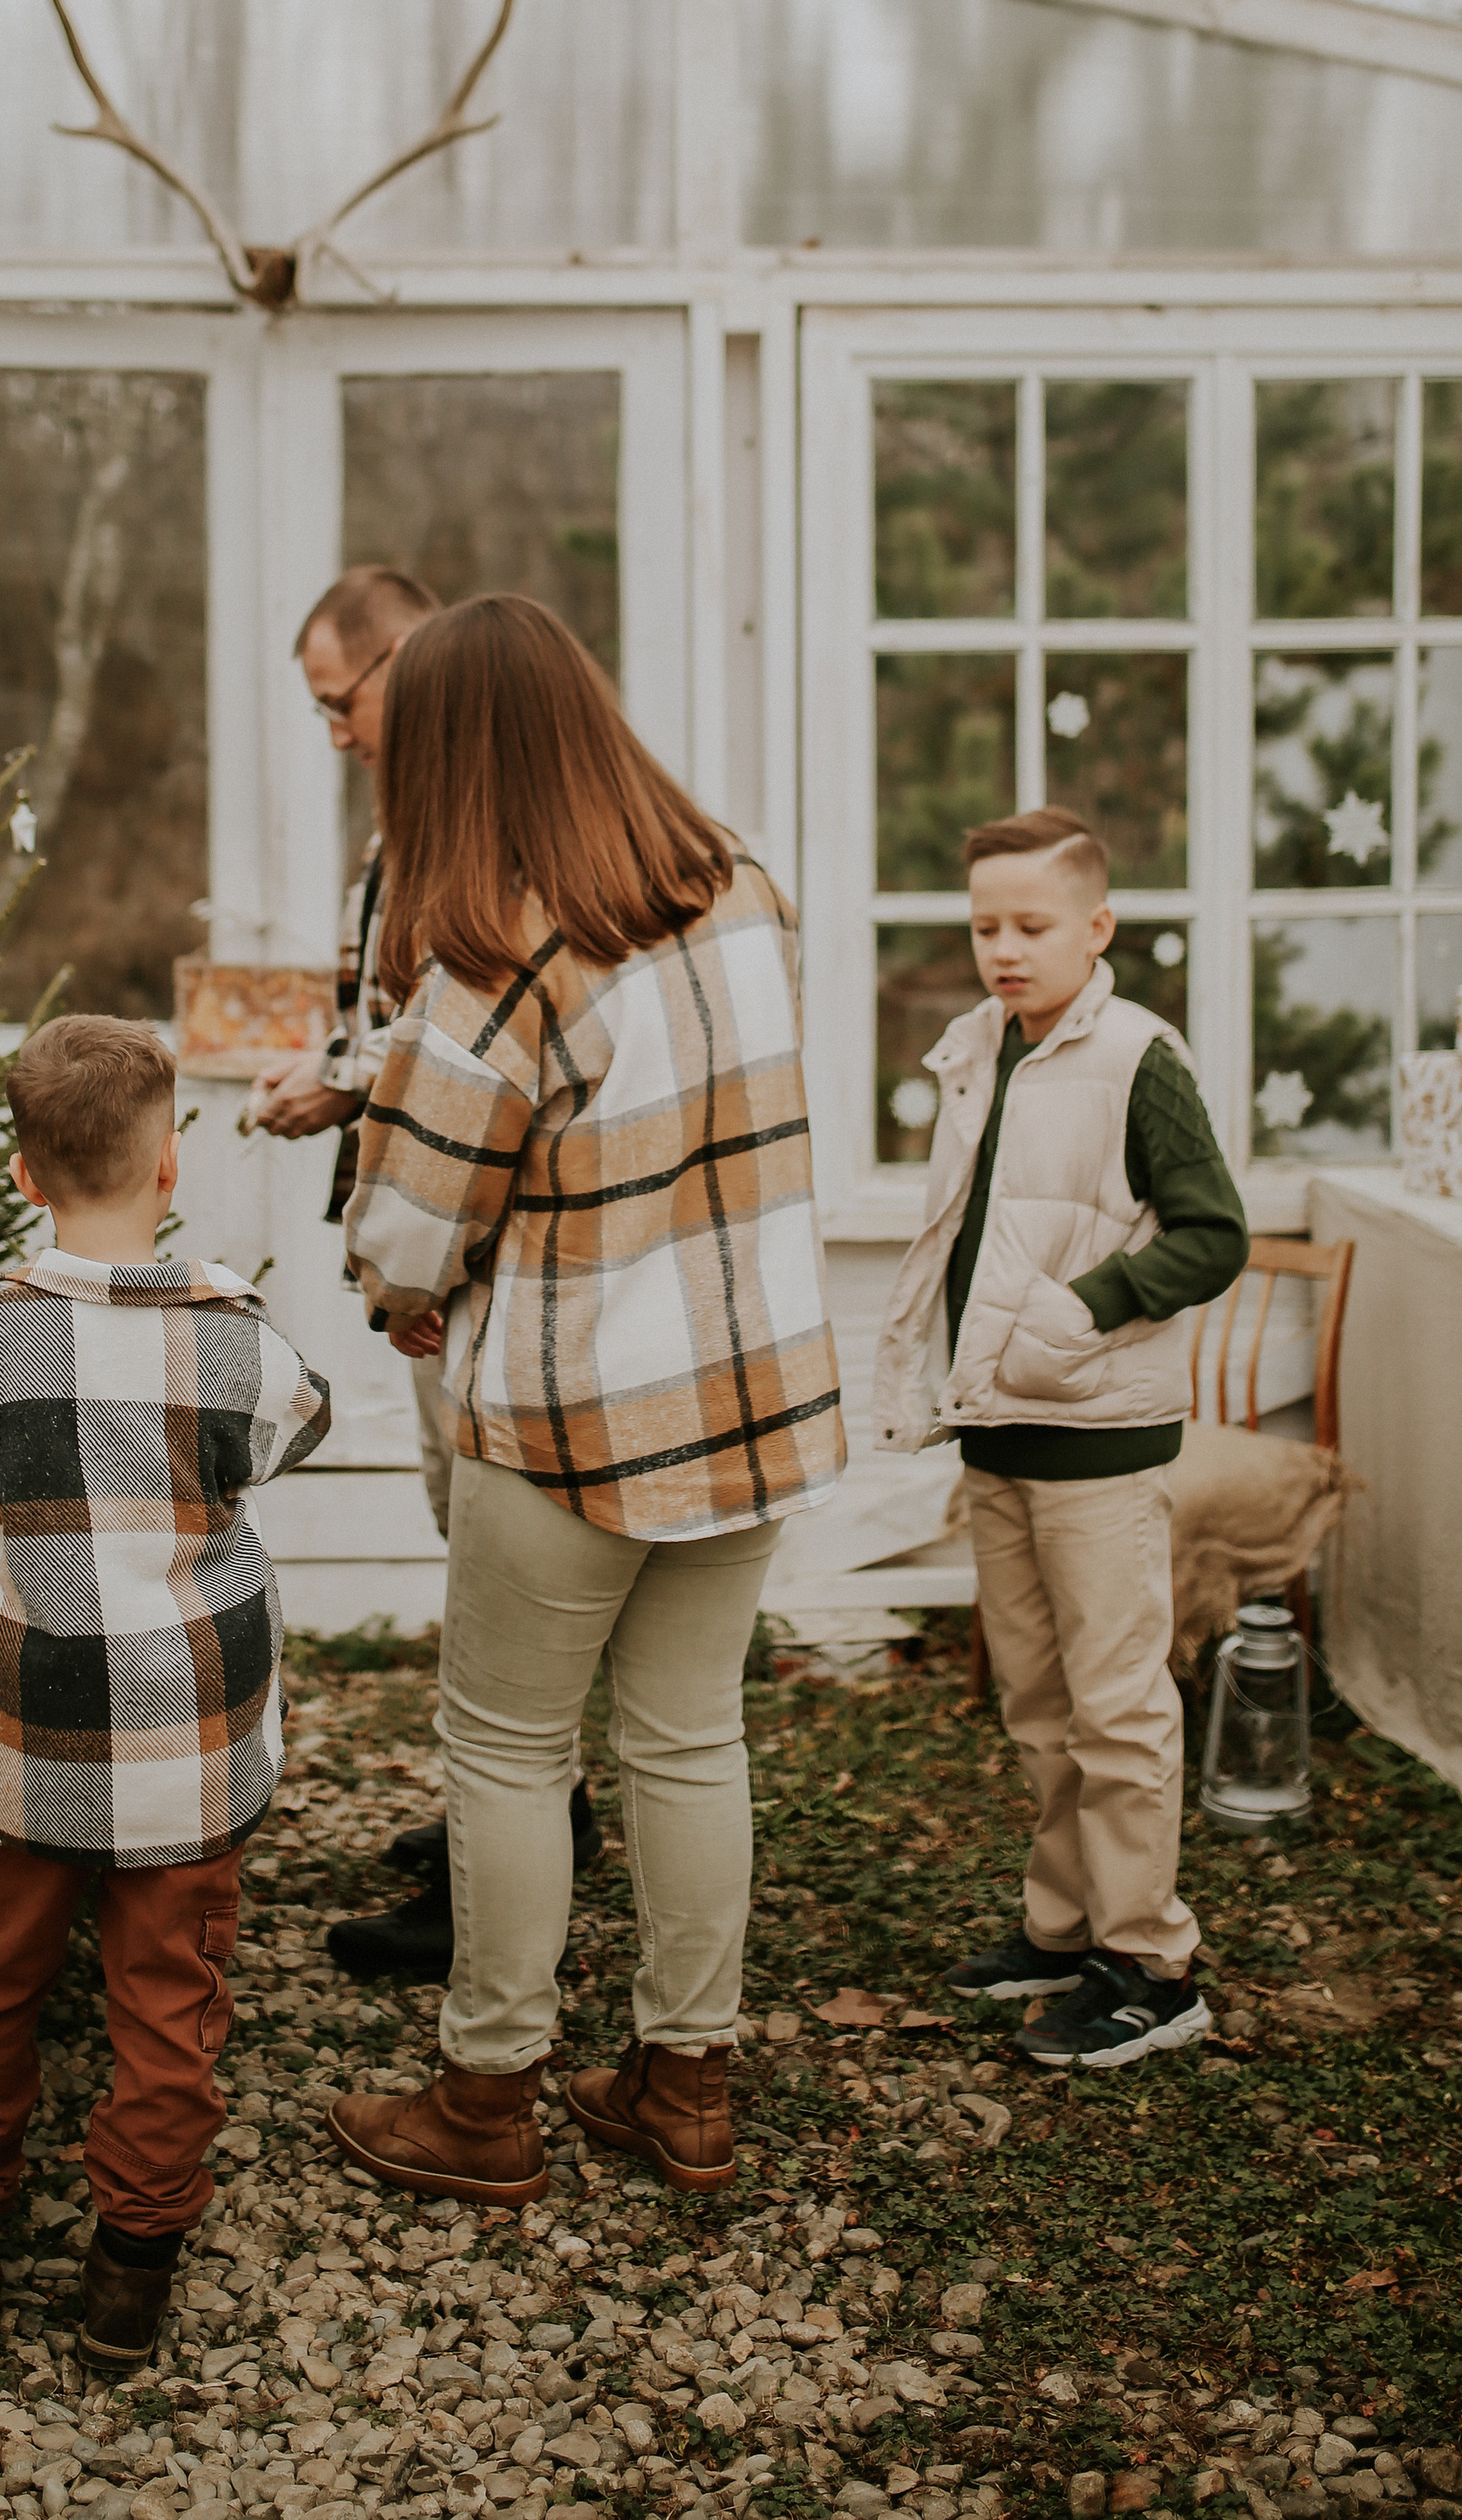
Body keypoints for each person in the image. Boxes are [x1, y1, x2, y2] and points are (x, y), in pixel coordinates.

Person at [325, 595, 845, 2208]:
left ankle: (488, 2102)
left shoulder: (497, 950)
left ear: (456, 758)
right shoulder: (746, 891)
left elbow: (410, 1223)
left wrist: (401, 1297)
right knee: (691, 1737)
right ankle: (687, 2083)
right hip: (748, 1395)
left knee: (504, 1744)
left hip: (570, 1418)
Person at [0, 1014, 330, 2363]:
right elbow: (305, 1420)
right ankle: (131, 2272)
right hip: (191, 1744)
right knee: (172, 2000)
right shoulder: (236, 1339)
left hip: (19, 1741)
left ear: (20, 1175)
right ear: (171, 1169)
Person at [251, 562, 598, 1979]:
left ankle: (505, 1861)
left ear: (405, 662)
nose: (335, 730)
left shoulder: (491, 845)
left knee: (502, 1579)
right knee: (468, 1538)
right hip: (431, 1269)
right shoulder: (399, 837)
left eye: (342, 700)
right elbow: (408, 1034)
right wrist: (342, 1078)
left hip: (478, 1263)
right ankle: (523, 1813)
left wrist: (358, 1109)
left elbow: (467, 1054)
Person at [870, 807, 1249, 2069]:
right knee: (1038, 1704)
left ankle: (1153, 1961)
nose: (1003, 948)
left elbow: (1212, 1234)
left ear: (1099, 926)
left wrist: (1078, 1315)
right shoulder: (980, 1047)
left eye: (1032, 925)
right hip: (999, 1432)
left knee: (1118, 1706)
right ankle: (1064, 1924)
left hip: (1098, 1437)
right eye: (984, 925)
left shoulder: (1138, 1057)